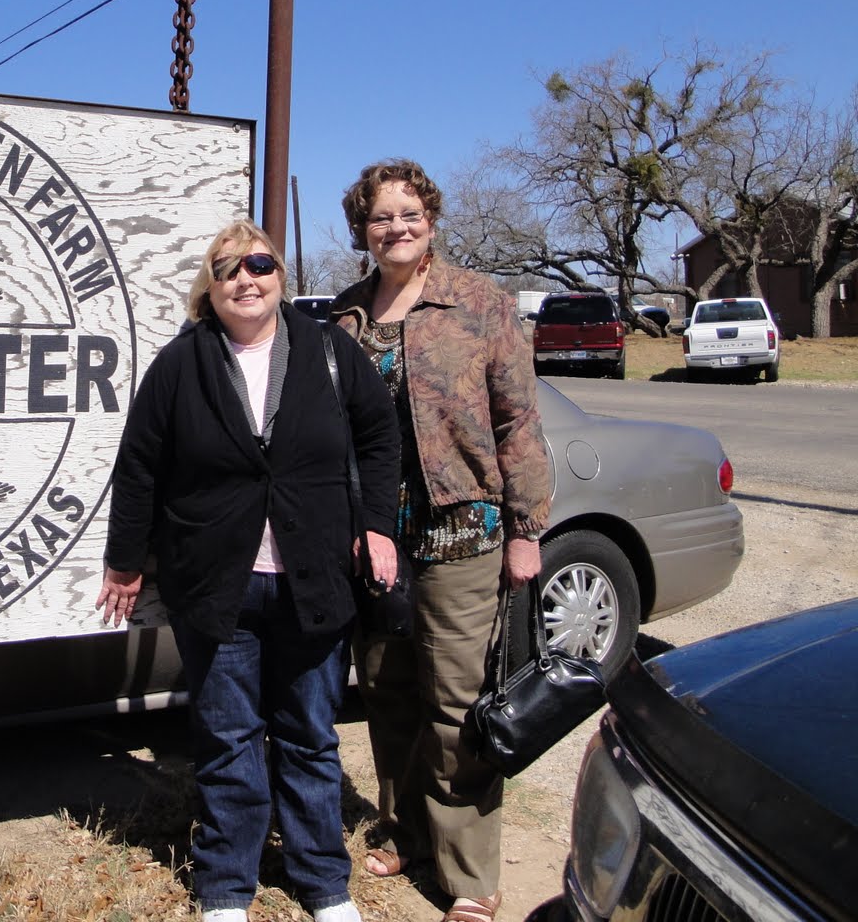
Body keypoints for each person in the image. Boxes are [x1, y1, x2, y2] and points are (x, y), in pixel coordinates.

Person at [96, 218, 400, 922]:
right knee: (229, 736)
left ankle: (323, 881)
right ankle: (226, 884)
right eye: (229, 267)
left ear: (281, 278)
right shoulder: (182, 363)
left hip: (313, 580)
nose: (246, 278)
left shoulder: (328, 350)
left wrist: (378, 528)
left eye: (259, 264)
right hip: (218, 584)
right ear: (212, 284)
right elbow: (139, 463)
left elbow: (379, 436)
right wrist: (124, 561)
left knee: (309, 737)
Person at [329, 160, 552, 922]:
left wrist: (526, 528)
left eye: (409, 213)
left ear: (431, 220)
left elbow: (519, 419)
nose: (396, 227)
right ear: (363, 227)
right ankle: (405, 832)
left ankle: (469, 873)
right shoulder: (346, 315)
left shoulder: (480, 302)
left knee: (457, 706)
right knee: (387, 692)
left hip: (461, 534)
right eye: (381, 216)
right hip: (375, 542)